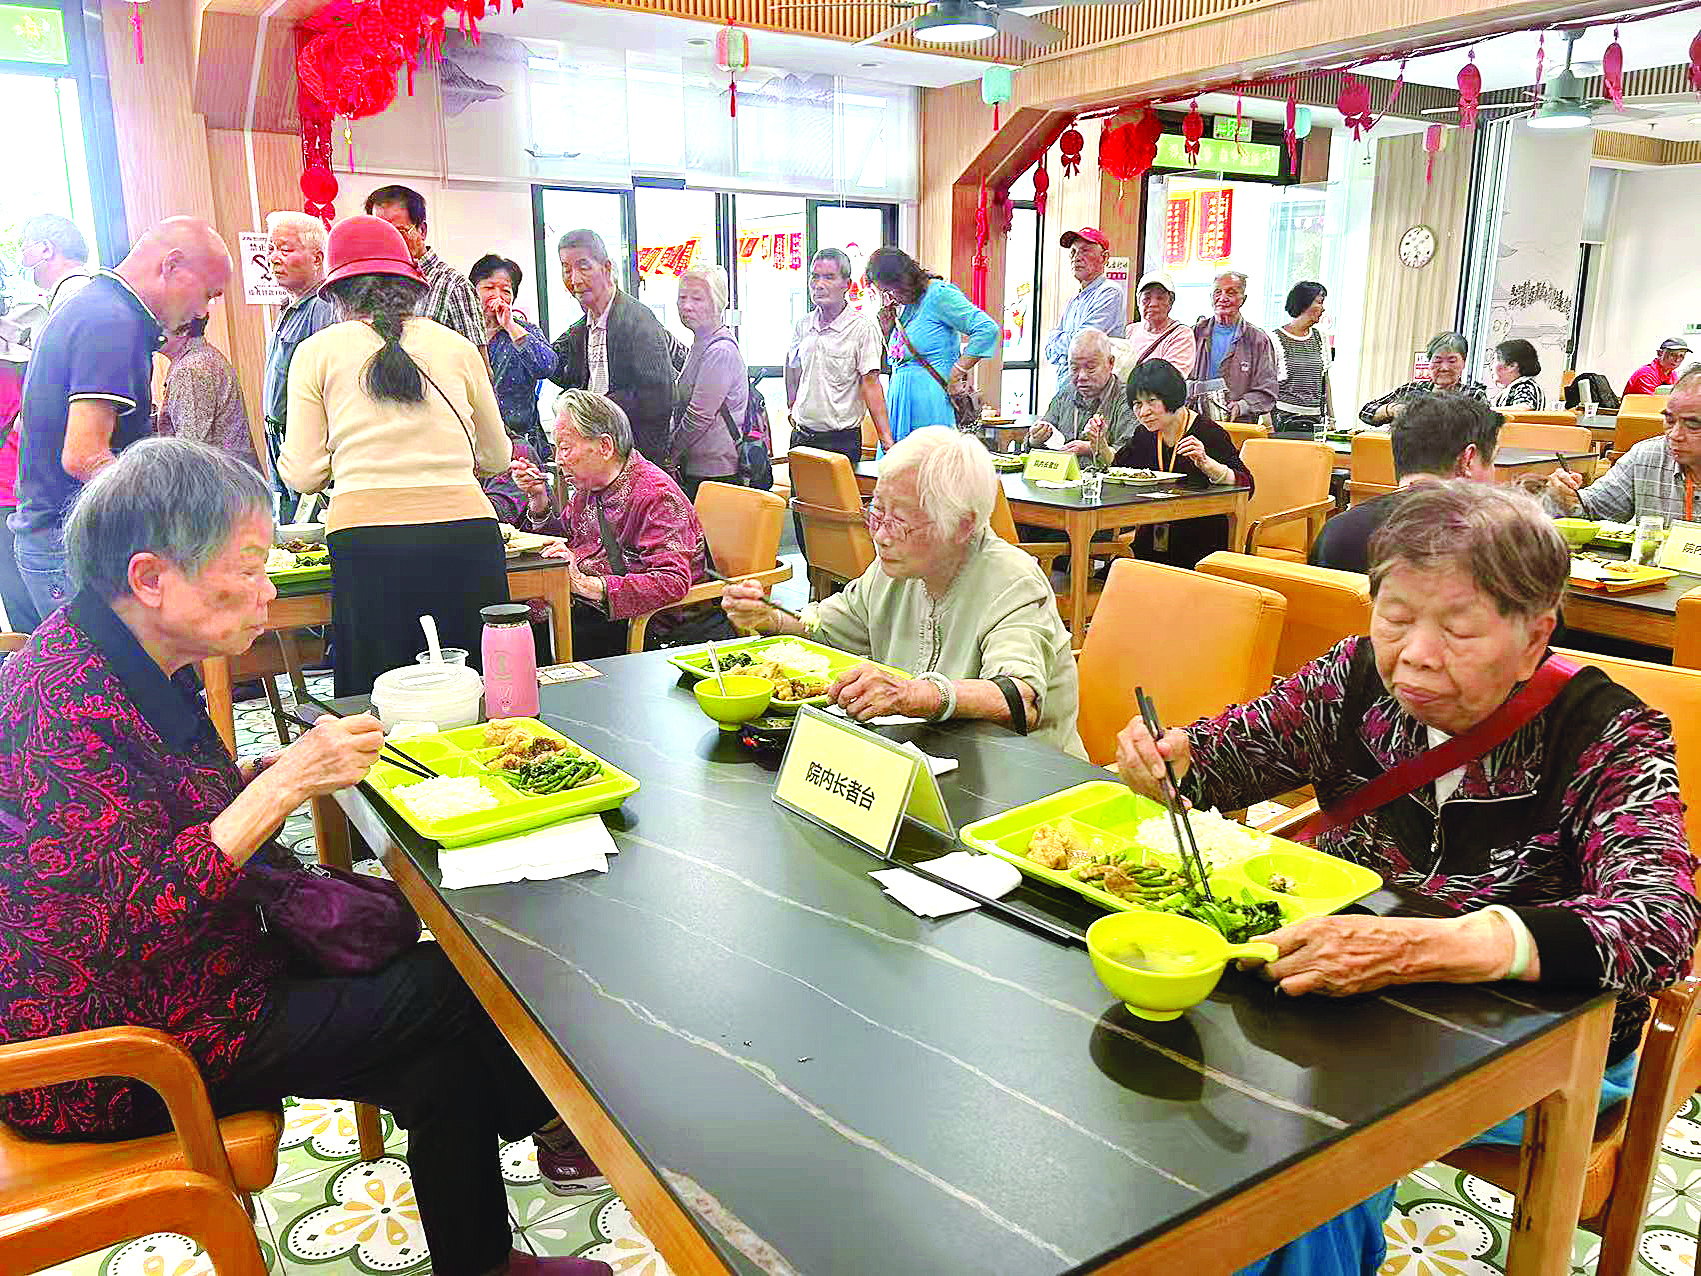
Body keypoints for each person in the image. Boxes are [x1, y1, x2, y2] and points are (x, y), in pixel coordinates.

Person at [0, 439, 614, 1276]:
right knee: (459, 985)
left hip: (181, 983)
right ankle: (565, 1125)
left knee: (440, 1058)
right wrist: (282, 784)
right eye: (248, 569)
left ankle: (485, 1257)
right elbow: (121, 928)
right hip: (122, 1049)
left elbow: (165, 815)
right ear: (149, 579)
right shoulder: (59, 708)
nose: (267, 593)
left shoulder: (122, 655)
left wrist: (268, 773)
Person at [1115, 479, 1699, 1276]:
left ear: (1535, 637)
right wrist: (1165, 759)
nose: (1415, 653)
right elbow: (1219, 762)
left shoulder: (1607, 731)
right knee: (1184, 1092)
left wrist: (1418, 950)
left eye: (1457, 629)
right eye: (1393, 617)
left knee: (1305, 1141)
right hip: (1346, 998)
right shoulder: (1353, 680)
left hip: (1535, 1037)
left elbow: (1657, 924)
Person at [722, 427, 1083, 755]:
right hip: (923, 760)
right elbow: (825, 630)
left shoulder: (1012, 581)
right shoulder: (893, 571)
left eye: (901, 522)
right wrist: (769, 616)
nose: (880, 535)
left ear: (962, 525)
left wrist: (912, 695)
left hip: (1023, 779)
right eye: (877, 512)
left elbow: (1017, 699)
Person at [280, 215, 511, 696]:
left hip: (367, 543)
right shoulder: (459, 347)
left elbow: (303, 473)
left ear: (336, 293)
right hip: (466, 536)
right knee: (478, 692)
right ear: (409, 284)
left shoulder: (315, 352)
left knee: (378, 697)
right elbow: (496, 455)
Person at [8, 216, 231, 620]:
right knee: (112, 679)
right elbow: (83, 455)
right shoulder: (111, 321)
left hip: (60, 534)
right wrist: (170, 512)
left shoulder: (100, 306)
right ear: (172, 266)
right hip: (70, 541)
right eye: (208, 293)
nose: (202, 310)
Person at [509, 390, 724, 659]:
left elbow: (672, 581)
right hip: (591, 610)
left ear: (605, 447)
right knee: (513, 621)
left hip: (641, 624)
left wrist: (587, 585)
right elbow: (564, 537)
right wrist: (538, 499)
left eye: (565, 448)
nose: (559, 459)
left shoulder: (656, 496)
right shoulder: (591, 487)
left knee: (525, 643)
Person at [1310, 395, 1500, 574]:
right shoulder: (1491, 545)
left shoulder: (1336, 531)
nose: (1494, 474)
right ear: (1468, 460)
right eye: (1492, 461)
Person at [550, 229, 675, 465]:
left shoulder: (638, 320)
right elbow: (563, 375)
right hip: (593, 457)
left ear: (606, 268)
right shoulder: (579, 331)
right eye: (567, 269)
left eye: (584, 267)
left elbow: (660, 398)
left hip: (635, 458)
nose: (574, 280)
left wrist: (596, 408)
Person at [1113, 359, 1252, 568]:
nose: (1143, 412)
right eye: (1137, 404)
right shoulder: (1145, 435)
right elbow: (1118, 468)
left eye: (1152, 401)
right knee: (1110, 578)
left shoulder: (1207, 432)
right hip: (1150, 540)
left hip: (1200, 543)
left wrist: (1206, 463)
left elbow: (1247, 484)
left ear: (1172, 398)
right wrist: (1099, 446)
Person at [867, 246, 998, 443]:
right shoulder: (906, 305)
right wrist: (888, 332)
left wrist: (957, 372)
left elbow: (987, 329)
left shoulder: (939, 295)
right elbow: (902, 358)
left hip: (931, 400)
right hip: (899, 400)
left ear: (901, 280)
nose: (888, 298)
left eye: (888, 290)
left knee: (930, 464)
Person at [1547, 368, 1701, 522]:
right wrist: (1563, 497)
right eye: (1670, 420)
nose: (1674, 435)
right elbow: (1591, 510)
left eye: (1693, 424)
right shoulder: (1647, 456)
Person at [263, 210, 338, 522]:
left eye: (286, 249)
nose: (274, 258)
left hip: (308, 447)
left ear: (317, 257)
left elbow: (329, 387)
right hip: (280, 440)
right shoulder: (289, 307)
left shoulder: (323, 308)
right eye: (271, 249)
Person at [785, 247, 891, 464]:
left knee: (837, 500)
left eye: (829, 277)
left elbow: (871, 384)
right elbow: (792, 364)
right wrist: (792, 404)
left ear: (847, 285)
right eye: (815, 276)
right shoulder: (803, 325)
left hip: (840, 441)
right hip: (802, 437)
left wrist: (886, 440)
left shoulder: (862, 329)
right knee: (800, 499)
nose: (819, 284)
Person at [363, 184, 485, 350]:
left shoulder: (453, 285)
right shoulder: (374, 284)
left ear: (422, 230)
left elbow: (478, 364)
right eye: (379, 232)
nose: (387, 240)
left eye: (398, 231)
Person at [471, 253, 555, 463]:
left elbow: (547, 366)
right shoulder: (462, 333)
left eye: (505, 291)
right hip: (474, 446)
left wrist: (510, 326)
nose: (497, 296)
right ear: (473, 292)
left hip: (520, 447)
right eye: (489, 288)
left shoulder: (524, 331)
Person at [671, 264, 744, 501]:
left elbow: (698, 416)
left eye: (697, 298)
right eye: (682, 297)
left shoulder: (720, 350)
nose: (686, 306)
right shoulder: (699, 343)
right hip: (696, 466)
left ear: (717, 303)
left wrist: (670, 453)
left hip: (716, 472)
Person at [157, 315, 261, 471]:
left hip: (221, 488)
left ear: (183, 329)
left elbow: (191, 455)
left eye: (158, 322)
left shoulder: (190, 371)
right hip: (233, 483)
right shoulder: (200, 357)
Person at [1028, 328, 1139, 466]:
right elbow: (1040, 439)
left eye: (1091, 368)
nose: (1081, 377)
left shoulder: (1127, 399)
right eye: (1074, 368)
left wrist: (1091, 448)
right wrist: (1035, 439)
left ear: (1110, 363)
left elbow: (1132, 456)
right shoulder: (1065, 393)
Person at [1190, 270, 1277, 423]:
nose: (1222, 298)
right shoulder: (1194, 333)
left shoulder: (1257, 339)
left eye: (1231, 293)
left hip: (1238, 424)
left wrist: (1242, 406)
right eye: (1217, 292)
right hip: (1196, 421)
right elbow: (1179, 379)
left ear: (1243, 299)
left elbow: (1268, 389)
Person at [1041, 227, 1125, 384]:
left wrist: (1059, 339)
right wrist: (1061, 341)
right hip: (1067, 386)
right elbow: (1049, 351)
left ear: (1104, 258)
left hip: (1094, 390)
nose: (1077, 258)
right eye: (1073, 252)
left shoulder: (1109, 292)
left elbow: (1082, 345)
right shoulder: (1075, 298)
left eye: (1085, 251)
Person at [1359, 331, 1488, 426]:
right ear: (1429, 363)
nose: (1444, 367)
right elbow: (1366, 412)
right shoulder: (1411, 389)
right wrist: (1392, 409)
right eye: (1437, 361)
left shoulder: (1474, 396)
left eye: (1452, 361)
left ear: (1463, 363)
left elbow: (1486, 434)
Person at [1271, 281, 1333, 437]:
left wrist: (1332, 418)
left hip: (1315, 420)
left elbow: (1325, 380)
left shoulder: (1321, 338)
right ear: (1304, 304)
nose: (1323, 308)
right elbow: (1266, 385)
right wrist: (1267, 424)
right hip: (1284, 419)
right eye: (1319, 302)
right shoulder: (1274, 338)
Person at [0, 361, 33, 632]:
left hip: (6, 495)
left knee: (18, 594)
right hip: (23, 486)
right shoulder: (22, 366)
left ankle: (35, 664)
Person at [18, 211, 93, 312]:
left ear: (46, 249)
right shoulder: (87, 288)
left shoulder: (71, 297)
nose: (23, 263)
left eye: (24, 250)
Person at [1124, 272, 1194, 376]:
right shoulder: (1130, 331)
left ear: (1170, 303)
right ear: (1138, 302)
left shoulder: (1181, 335)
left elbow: (1170, 379)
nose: (1153, 304)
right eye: (1146, 298)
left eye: (1160, 298)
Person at [1624, 337, 1690, 398]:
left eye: (1681, 356)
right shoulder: (1646, 375)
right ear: (1659, 353)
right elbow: (1652, 403)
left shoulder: (1673, 375)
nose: (1677, 359)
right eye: (1672, 354)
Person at [1491, 338, 1545, 412]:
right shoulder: (1515, 388)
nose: (1492, 366)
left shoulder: (1525, 385)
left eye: (1495, 361)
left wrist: (1488, 412)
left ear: (1512, 366)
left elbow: (1524, 408)